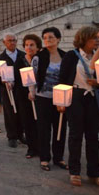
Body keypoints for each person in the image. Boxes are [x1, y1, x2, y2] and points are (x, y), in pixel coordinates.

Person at [60, 26, 99, 187]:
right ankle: (74, 171)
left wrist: (97, 83)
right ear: (84, 39)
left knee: (93, 137)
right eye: (94, 39)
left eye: (97, 39)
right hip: (75, 97)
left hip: (92, 97)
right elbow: (62, 79)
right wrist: (60, 103)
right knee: (75, 135)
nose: (96, 41)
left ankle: (94, 172)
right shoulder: (71, 56)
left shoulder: (98, 57)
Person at [35, 27, 68, 171]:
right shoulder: (39, 57)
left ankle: (59, 157)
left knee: (60, 128)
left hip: (61, 98)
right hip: (43, 97)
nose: (47, 40)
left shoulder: (65, 56)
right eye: (45, 37)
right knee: (44, 129)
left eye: (51, 37)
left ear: (58, 39)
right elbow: (32, 77)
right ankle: (44, 158)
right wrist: (31, 92)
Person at [14, 34, 41, 159]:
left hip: (39, 95)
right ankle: (31, 148)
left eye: (32, 45)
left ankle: (41, 147)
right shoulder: (20, 60)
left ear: (37, 47)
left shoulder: (41, 59)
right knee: (28, 121)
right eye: (26, 45)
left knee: (40, 122)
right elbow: (16, 78)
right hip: (24, 96)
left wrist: (34, 91)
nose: (29, 47)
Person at [0, 33, 25, 148]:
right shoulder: (1, 58)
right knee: (10, 113)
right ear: (4, 43)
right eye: (9, 41)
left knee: (22, 112)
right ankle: (12, 136)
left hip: (21, 89)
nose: (12, 42)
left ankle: (20, 134)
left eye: (14, 40)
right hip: (7, 90)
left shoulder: (22, 55)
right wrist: (3, 82)